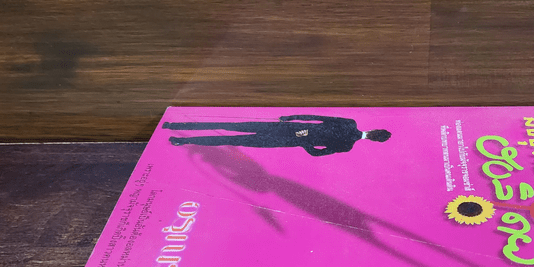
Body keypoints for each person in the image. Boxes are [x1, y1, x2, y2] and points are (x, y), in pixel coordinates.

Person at [163, 114, 391, 157]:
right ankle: (182, 139)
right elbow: (316, 153)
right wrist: (305, 142)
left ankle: (174, 125)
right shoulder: (347, 146)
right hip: (285, 139)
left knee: (230, 127)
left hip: (285, 132)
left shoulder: (350, 124)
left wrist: (292, 118)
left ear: (374, 131)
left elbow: (315, 117)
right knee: (232, 138)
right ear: (375, 139)